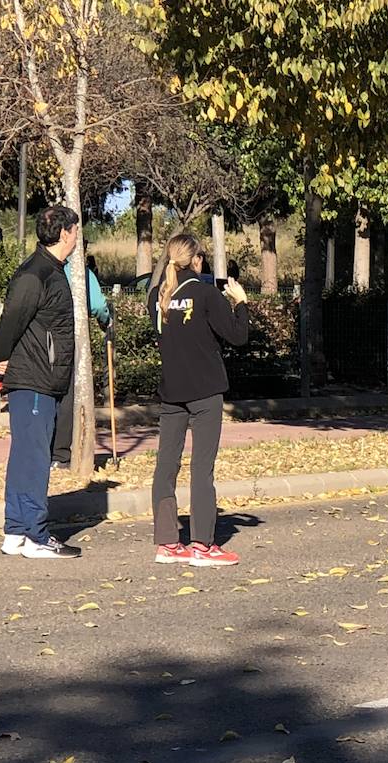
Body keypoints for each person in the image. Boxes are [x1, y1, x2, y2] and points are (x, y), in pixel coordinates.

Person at [146, 233, 249, 566]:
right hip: (205, 392)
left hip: (171, 393)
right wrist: (241, 301)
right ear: (197, 260)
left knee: (166, 466)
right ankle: (202, 545)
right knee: (202, 467)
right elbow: (238, 336)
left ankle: (167, 542)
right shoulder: (206, 294)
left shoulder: (157, 298)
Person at [0, 205, 83, 559]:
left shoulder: (53, 270)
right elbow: (10, 322)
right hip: (34, 379)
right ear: (63, 234)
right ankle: (35, 536)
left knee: (26, 456)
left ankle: (15, 531)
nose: (77, 236)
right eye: (75, 229)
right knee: (34, 458)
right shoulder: (36, 274)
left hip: (42, 378)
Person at [51, 244, 112, 469]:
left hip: (46, 340)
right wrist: (106, 320)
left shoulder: (46, 268)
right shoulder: (82, 273)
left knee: (51, 394)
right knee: (70, 395)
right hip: (73, 338)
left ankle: (48, 451)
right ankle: (61, 453)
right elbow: (98, 305)